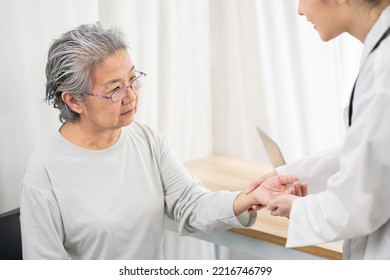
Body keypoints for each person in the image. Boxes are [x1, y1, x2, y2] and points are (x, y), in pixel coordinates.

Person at [20, 23, 306, 260]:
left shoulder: (147, 141)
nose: (131, 95)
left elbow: (192, 205)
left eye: (133, 79)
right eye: (115, 89)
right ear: (73, 100)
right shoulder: (45, 172)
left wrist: (252, 196)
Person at [252, 0, 390, 259]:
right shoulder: (381, 55)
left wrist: (295, 208)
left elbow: (355, 206)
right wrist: (289, 174)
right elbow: (373, 153)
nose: (300, 10)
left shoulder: (384, 69)